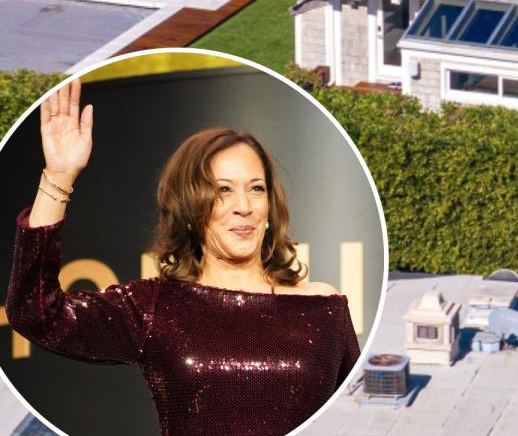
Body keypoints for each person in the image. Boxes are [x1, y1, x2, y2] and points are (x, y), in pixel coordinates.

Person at [6, 79, 360, 436]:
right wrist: (59, 176)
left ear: (270, 206)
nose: (243, 206)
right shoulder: (155, 307)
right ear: (190, 208)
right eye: (222, 190)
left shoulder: (323, 308)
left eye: (256, 188)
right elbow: (37, 313)